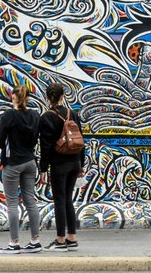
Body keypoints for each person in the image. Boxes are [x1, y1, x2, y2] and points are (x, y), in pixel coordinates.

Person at [0, 84, 42, 254]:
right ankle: (35, 241)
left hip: (13, 162)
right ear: (27, 98)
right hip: (30, 161)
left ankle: (14, 243)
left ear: (13, 97)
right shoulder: (35, 115)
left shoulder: (9, 116)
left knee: (13, 203)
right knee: (30, 200)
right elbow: (36, 138)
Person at [39, 82, 86, 252]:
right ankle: (71, 238)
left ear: (47, 97)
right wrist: (81, 164)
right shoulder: (72, 113)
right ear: (62, 96)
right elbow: (81, 139)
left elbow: (45, 147)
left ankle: (60, 241)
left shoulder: (46, 117)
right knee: (68, 200)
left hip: (59, 165)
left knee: (59, 200)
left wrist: (43, 169)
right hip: (74, 163)